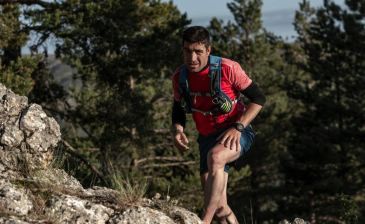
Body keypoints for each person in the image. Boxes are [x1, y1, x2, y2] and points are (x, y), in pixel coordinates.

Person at [171, 26, 266, 224]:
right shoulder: (180, 77)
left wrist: (238, 127)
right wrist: (178, 129)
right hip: (206, 138)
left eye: (198, 51)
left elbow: (258, 98)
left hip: (238, 131)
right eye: (187, 51)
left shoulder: (228, 68)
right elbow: (178, 107)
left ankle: (203, 221)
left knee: (216, 157)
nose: (192, 58)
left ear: (208, 50)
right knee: (220, 207)